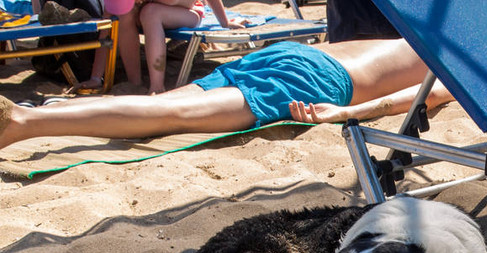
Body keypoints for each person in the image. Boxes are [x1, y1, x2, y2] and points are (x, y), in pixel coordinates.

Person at [0, 38, 453, 149]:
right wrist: (344, 112)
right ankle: (24, 123)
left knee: (165, 105)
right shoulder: (467, 55)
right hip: (315, 81)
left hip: (292, 54)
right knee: (173, 118)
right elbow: (423, 97)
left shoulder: (430, 29)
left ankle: (47, 110)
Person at [78, 0, 246, 94]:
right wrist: (96, 77)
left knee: (151, 12)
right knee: (124, 16)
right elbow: (107, 30)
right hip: (148, 11)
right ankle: (135, 82)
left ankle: (157, 87)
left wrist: (225, 22)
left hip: (187, 11)